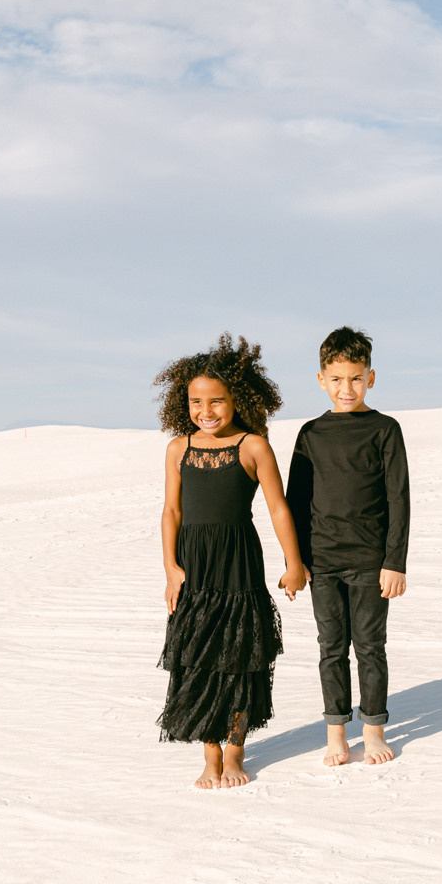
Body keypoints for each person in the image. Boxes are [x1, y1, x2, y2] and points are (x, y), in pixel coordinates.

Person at [156, 333, 308, 789]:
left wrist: (294, 564)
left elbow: (278, 508)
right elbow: (171, 511)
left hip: (239, 563)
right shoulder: (178, 448)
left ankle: (236, 751)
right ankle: (210, 755)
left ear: (237, 399)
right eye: (196, 402)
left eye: (217, 401)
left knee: (241, 656)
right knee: (198, 659)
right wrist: (171, 569)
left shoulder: (253, 445)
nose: (206, 411)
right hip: (194, 568)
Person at [286, 325, 410, 767]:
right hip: (321, 562)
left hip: (371, 561)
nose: (347, 388)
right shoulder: (311, 434)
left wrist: (395, 562)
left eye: (356, 378)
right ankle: (336, 733)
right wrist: (296, 562)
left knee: (370, 647)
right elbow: (295, 503)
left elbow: (398, 499)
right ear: (321, 380)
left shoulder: (385, 429)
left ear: (370, 378)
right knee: (331, 648)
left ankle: (373, 730)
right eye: (337, 379)